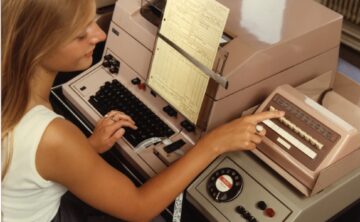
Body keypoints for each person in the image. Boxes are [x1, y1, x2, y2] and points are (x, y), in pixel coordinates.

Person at [1, 0, 284, 221]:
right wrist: (213, 143)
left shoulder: (13, 93)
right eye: (80, 34)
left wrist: (83, 151)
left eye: (93, 22)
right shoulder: (52, 136)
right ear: (37, 46)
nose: (99, 35)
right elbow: (139, 208)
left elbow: (27, 162)